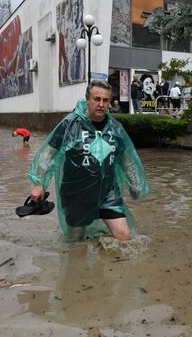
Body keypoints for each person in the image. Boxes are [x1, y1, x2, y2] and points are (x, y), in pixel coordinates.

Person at [28, 80, 151, 242]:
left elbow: (126, 157)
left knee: (124, 237)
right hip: (76, 194)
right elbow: (47, 154)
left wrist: (135, 183)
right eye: (96, 99)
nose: (101, 104)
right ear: (87, 100)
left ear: (109, 104)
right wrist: (39, 184)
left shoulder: (115, 128)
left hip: (108, 193)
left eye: (105, 100)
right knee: (76, 243)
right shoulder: (69, 124)